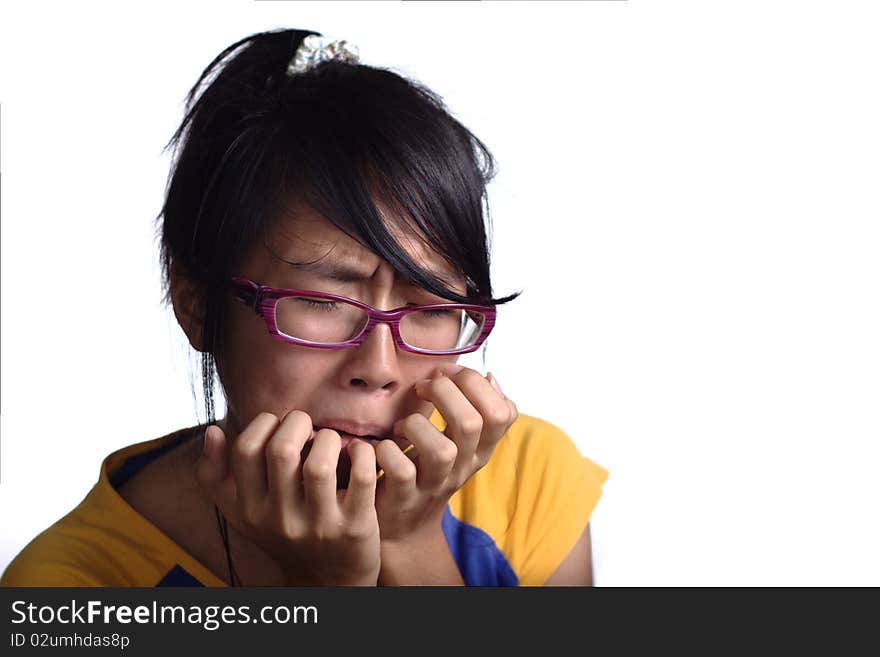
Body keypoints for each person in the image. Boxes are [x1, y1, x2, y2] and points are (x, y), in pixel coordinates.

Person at [1, 29, 608, 587]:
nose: (380, 367)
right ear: (196, 305)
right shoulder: (70, 586)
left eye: (432, 308)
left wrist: (409, 542)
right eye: (322, 301)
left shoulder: (527, 479)